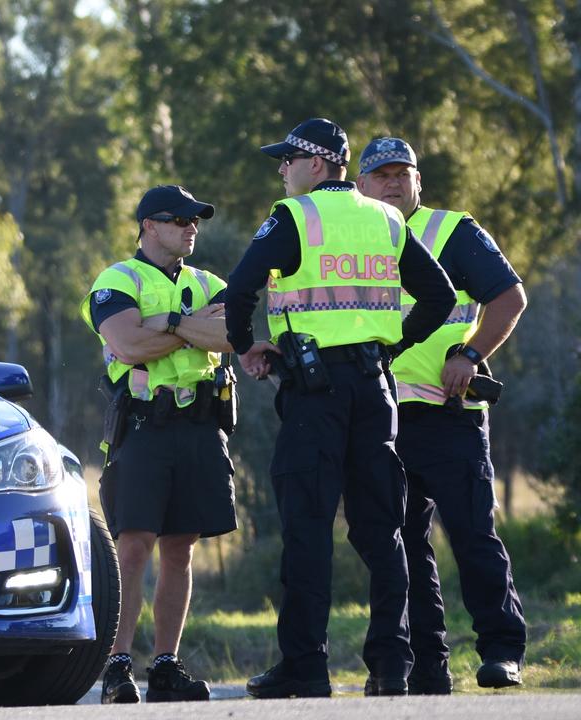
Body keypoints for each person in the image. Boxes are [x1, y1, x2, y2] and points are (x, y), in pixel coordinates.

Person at [222, 119, 456, 698]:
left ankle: (305, 666)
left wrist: (244, 344)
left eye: (288, 161)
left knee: (307, 528)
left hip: (314, 393)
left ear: (318, 164)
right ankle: (391, 666)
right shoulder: (386, 218)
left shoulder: (294, 217)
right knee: (384, 531)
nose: (282, 171)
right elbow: (441, 296)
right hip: (376, 390)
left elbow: (241, 288)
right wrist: (390, 345)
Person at [356, 137, 528, 693]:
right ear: (361, 185)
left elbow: (508, 298)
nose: (391, 183)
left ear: (418, 182)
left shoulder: (452, 231)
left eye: (401, 174)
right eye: (380, 175)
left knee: (473, 536)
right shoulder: (354, 238)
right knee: (402, 547)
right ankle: (428, 667)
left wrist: (471, 354)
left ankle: (503, 652)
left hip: (449, 413)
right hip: (382, 418)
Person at [80, 185, 238, 704]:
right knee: (133, 548)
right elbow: (126, 343)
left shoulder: (208, 280)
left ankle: (166, 665)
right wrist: (189, 327)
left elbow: (230, 335)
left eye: (195, 220)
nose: (191, 227)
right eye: (179, 219)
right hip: (144, 428)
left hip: (199, 427)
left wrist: (164, 326)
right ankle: (117, 665)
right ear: (149, 225)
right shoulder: (118, 279)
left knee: (180, 550)